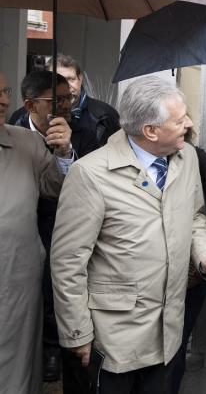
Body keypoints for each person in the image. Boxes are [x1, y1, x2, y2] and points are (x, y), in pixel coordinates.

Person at [51, 77, 206, 394]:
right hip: (114, 341)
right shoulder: (91, 174)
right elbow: (67, 263)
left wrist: (204, 255)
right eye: (180, 119)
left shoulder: (186, 159)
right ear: (150, 131)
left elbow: (196, 216)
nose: (188, 124)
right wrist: (77, 334)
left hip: (167, 336)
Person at [15, 71, 99, 386]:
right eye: (56, 100)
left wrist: (65, 152)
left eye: (68, 97)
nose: (65, 104)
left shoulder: (85, 130)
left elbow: (90, 181)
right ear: (30, 105)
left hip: (63, 222)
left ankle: (54, 346)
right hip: (23, 223)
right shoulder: (13, 130)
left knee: (55, 286)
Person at [0, 71, 73, 394]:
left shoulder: (27, 142)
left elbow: (58, 188)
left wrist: (64, 152)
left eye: (4, 92)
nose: (4, 101)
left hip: (18, 277)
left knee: (16, 365)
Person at [166, 106, 206, 394]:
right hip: (150, 276)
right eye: (179, 119)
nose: (188, 123)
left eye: (186, 118)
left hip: (192, 270)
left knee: (177, 343)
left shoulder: (193, 155)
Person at [12, 54, 120, 147]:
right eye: (57, 80)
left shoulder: (105, 115)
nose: (66, 85)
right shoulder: (19, 120)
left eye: (71, 79)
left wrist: (66, 154)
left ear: (80, 78)